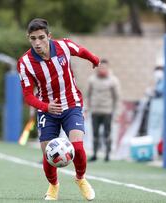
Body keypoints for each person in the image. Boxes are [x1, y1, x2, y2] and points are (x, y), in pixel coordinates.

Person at [17, 18, 99, 201]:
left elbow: (81, 51)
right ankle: (54, 185)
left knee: (77, 146)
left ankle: (80, 179)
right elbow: (28, 95)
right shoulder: (25, 63)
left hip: (71, 104)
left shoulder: (63, 46)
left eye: (41, 37)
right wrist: (46, 107)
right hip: (47, 110)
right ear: (28, 38)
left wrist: (94, 59)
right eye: (33, 39)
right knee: (48, 153)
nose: (37, 43)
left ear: (49, 36)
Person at [87, 59, 120, 162]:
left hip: (107, 111)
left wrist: (117, 112)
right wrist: (87, 109)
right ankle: (95, 154)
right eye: (100, 67)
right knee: (95, 134)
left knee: (107, 134)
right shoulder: (92, 80)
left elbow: (117, 98)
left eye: (104, 67)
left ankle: (107, 154)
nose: (102, 69)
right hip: (95, 111)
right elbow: (88, 95)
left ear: (108, 68)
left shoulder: (113, 80)